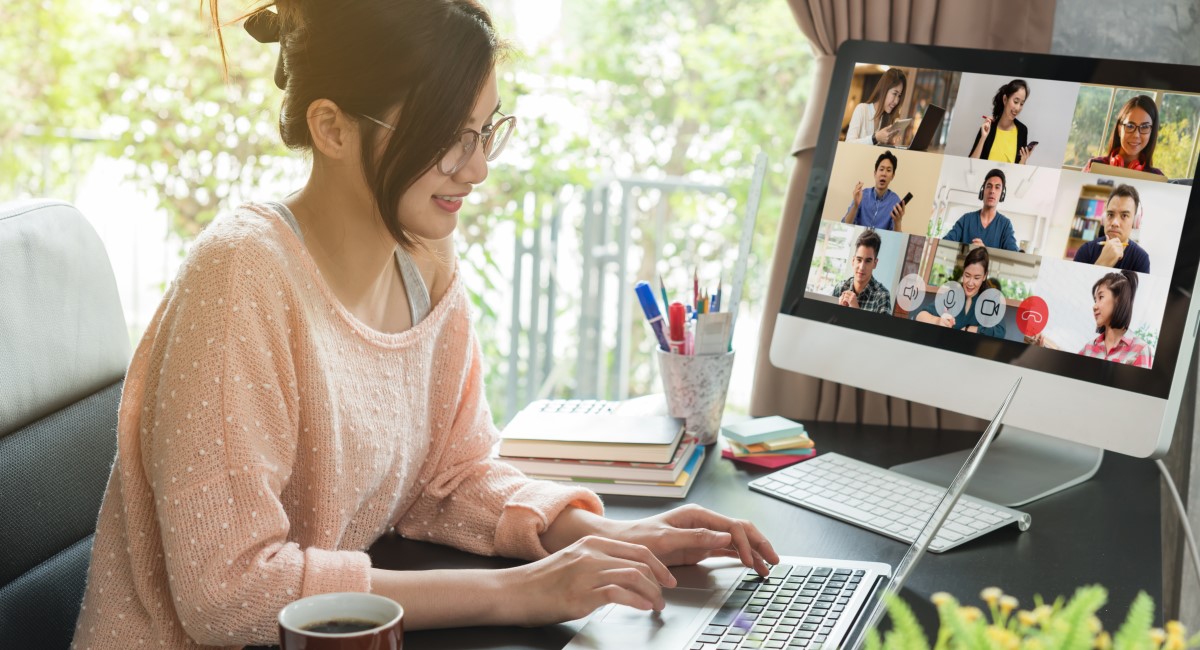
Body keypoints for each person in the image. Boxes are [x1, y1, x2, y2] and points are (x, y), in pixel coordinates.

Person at [71, 2, 780, 648]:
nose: (475, 168)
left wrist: (612, 538)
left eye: (484, 130)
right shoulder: (240, 277)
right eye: (448, 136)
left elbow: (450, 475)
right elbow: (226, 593)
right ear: (331, 127)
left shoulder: (424, 257)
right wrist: (522, 592)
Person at [1032, 270, 1153, 368]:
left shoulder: (1140, 350)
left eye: (1101, 297)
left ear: (1119, 299)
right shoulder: (1088, 348)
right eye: (1095, 300)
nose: (1094, 306)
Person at [912, 246, 1007, 339]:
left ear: (984, 276)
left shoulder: (991, 299)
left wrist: (971, 329)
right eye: (967, 275)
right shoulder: (954, 293)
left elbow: (1000, 331)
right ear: (963, 272)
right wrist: (938, 321)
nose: (970, 283)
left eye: (976, 277)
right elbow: (920, 316)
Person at [1071, 184, 1150, 273]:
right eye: (1110, 214)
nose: (1114, 223)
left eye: (1124, 215)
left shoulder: (1141, 259)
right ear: (1104, 218)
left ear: (1135, 222)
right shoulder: (1085, 250)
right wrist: (1101, 264)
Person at [1083, 95, 1165, 177]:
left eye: (1145, 127)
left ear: (1152, 132)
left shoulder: (1156, 176)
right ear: (1119, 129)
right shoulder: (1094, 166)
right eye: (1130, 126)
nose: (1136, 135)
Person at [941, 168, 1019, 251]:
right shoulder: (966, 219)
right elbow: (945, 243)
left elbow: (1013, 254)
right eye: (989, 186)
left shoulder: (1005, 225)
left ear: (1002, 194)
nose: (992, 191)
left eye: (997, 187)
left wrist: (984, 252)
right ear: (983, 190)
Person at [968, 79, 1033, 164]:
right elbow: (970, 164)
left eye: (1021, 104)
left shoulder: (1022, 130)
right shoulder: (988, 127)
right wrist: (983, 137)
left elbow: (1019, 170)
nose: (1018, 108)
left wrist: (1023, 160)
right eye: (1016, 101)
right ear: (1005, 99)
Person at [841, 151, 908, 231]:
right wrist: (855, 206)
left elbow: (895, 236)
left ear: (892, 176)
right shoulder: (862, 195)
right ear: (875, 173)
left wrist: (898, 222)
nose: (884, 173)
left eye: (888, 170)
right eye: (881, 169)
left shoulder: (895, 201)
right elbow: (845, 224)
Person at [831, 229, 892, 313]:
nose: (862, 267)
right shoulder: (839, 288)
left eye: (868, 261)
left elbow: (882, 327)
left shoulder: (882, 296)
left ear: (875, 263)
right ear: (853, 261)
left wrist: (856, 311)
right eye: (859, 260)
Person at [845, 67, 908, 145]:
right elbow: (848, 144)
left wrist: (890, 142)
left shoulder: (887, 119)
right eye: (895, 94)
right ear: (884, 90)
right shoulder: (862, 109)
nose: (896, 101)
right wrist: (875, 138)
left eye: (899, 96)